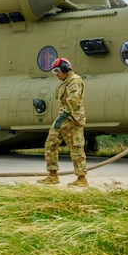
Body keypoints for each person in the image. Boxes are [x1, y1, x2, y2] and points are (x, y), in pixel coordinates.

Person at [38, 57, 88, 187]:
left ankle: (81, 178)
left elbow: (73, 101)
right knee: (50, 143)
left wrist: (65, 117)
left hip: (73, 120)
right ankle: (52, 175)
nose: (56, 75)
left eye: (57, 71)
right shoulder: (65, 82)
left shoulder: (74, 81)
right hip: (63, 119)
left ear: (65, 69)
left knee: (76, 147)